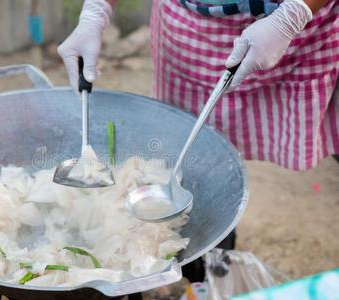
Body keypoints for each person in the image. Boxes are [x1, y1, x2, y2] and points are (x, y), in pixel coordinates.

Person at [57, 0, 338, 282]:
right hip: (191, 35)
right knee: (200, 165)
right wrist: (97, 9)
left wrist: (295, 12)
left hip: (303, 37)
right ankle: (206, 269)